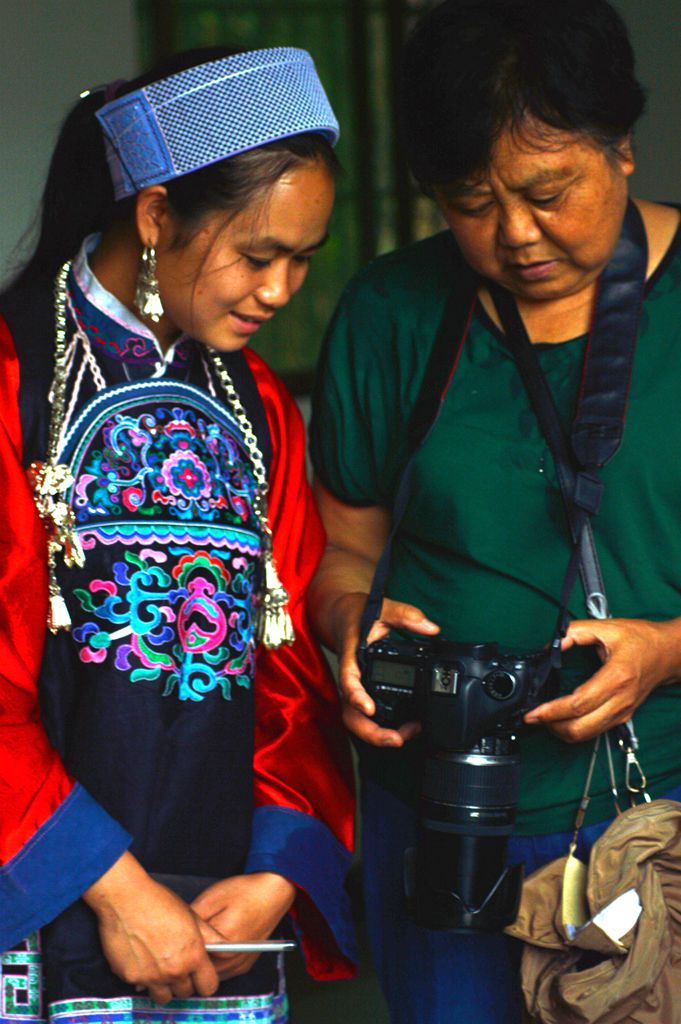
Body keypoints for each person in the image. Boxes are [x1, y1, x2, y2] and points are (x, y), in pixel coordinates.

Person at [308, 1, 681, 1021]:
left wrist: (667, 650)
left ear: (624, 148)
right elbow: (346, 550)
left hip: (653, 820)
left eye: (547, 190)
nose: (516, 233)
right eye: (470, 201)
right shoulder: (391, 314)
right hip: (438, 817)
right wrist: (349, 625)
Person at [0, 46, 356, 1024]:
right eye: (258, 254)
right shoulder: (10, 375)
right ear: (157, 216)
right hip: (37, 907)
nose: (282, 290)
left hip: (220, 928)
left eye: (302, 260)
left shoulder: (259, 408)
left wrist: (278, 870)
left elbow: (288, 678)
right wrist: (116, 889)